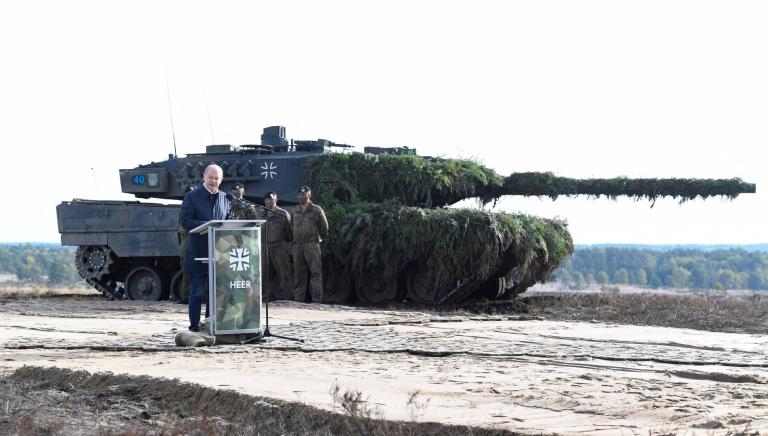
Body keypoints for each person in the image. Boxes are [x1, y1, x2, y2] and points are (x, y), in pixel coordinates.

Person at [180, 164, 232, 332]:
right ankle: (194, 326)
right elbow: (185, 221)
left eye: (217, 178)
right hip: (198, 253)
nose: (213, 181)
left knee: (214, 294)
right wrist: (208, 225)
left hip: (218, 253)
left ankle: (210, 325)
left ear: (221, 180)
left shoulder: (225, 198)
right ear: (204, 177)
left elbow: (228, 221)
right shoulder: (192, 197)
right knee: (196, 293)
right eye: (210, 177)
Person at [291, 186, 328, 303]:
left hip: (312, 244)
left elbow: (324, 228)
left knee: (315, 272)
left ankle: (317, 299)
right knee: (299, 273)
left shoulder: (317, 210)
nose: (300, 197)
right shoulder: (295, 211)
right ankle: (299, 299)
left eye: (303, 194)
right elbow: (291, 226)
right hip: (297, 245)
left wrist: (317, 238)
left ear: (309, 195)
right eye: (299, 195)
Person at [257, 191, 293, 299]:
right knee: (265, 273)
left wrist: (281, 241)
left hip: (279, 247)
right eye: (266, 199)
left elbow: (289, 232)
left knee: (284, 271)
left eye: (271, 199)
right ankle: (267, 296)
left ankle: (287, 296)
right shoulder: (260, 214)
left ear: (276, 200)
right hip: (264, 247)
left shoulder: (282, 214)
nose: (268, 201)